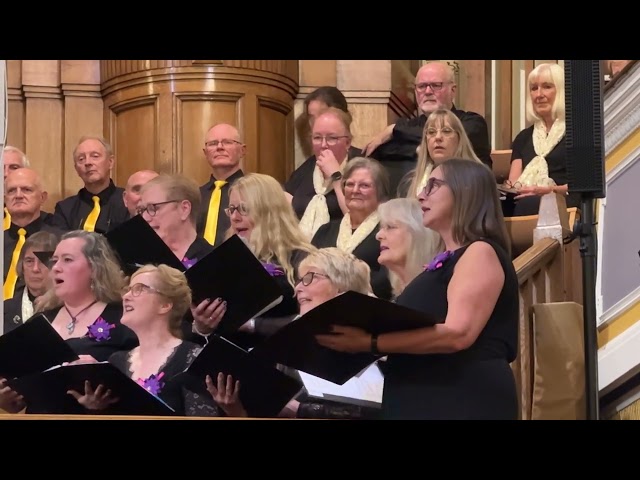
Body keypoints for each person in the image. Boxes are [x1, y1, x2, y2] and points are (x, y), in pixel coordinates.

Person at [316, 158, 519, 420]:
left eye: (433, 185)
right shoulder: (446, 258)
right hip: (426, 393)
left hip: (459, 395)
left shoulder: (479, 251)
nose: (421, 194)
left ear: (465, 191)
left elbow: (458, 333)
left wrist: (371, 343)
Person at [67, 264, 247, 417]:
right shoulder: (116, 362)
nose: (126, 296)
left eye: (139, 289)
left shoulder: (191, 358)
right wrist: (95, 409)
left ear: (165, 305)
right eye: (127, 289)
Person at [0, 230, 139, 414]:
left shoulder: (123, 319)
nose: (55, 267)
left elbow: (143, 386)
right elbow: (18, 403)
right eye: (55, 260)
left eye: (67, 260)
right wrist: (5, 398)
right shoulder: (40, 320)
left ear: (95, 267)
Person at [195, 173, 317, 350]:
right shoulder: (225, 257)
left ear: (269, 210)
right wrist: (203, 326)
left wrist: (253, 325)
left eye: (244, 209)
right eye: (231, 209)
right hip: (229, 356)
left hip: (280, 355)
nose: (235, 217)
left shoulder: (301, 256)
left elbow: (310, 322)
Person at [278, 247, 378, 419]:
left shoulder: (369, 339)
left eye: (310, 277)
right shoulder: (289, 343)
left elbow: (373, 411)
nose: (298, 288)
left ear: (341, 285)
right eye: (300, 280)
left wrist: (300, 410)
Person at [363, 62, 492, 188]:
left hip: (465, 197)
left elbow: (458, 142)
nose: (428, 91)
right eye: (422, 86)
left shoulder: (473, 122)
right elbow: (384, 152)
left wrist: (394, 129)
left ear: (452, 90)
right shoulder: (407, 125)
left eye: (436, 85)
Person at [311, 157, 393, 301]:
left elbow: (387, 279)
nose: (355, 190)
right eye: (350, 184)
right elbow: (309, 272)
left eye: (364, 186)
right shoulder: (325, 230)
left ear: (380, 192)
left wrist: (340, 287)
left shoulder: (389, 231)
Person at [505, 62, 578, 216]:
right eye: (534, 88)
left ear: (561, 90)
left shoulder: (577, 132)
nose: (539, 95)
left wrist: (548, 191)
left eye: (547, 86)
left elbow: (582, 186)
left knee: (530, 204)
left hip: (564, 201)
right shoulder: (523, 138)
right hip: (526, 200)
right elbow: (513, 185)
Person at [286, 107, 361, 239]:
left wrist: (336, 176)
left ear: (347, 142)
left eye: (331, 138)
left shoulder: (360, 168)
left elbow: (358, 220)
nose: (323, 145)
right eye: (317, 138)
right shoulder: (304, 171)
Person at [3, 168, 64, 299]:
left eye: (26, 190)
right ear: (4, 199)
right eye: (12, 191)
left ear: (43, 197)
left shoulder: (61, 242)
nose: (18, 195)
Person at [50, 136, 129, 233]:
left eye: (95, 156)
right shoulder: (65, 209)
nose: (88, 162)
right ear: (76, 169)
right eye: (81, 159)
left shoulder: (127, 202)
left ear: (110, 162)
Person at [398, 109, 483, 198]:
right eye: (431, 132)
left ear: (459, 138)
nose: (438, 137)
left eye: (446, 131)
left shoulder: (477, 179)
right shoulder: (410, 182)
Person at [376, 198, 438, 299]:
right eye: (381, 228)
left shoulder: (436, 296)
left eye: (390, 227)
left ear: (418, 234)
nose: (378, 235)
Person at [196, 123, 245, 247]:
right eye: (212, 143)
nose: (219, 147)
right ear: (205, 152)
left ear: (242, 150)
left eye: (227, 142)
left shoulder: (256, 192)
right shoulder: (195, 196)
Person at [3, 231, 60, 333]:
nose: (35, 269)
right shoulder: (4, 310)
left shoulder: (70, 309)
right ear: (22, 266)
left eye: (43, 261)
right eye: (29, 261)